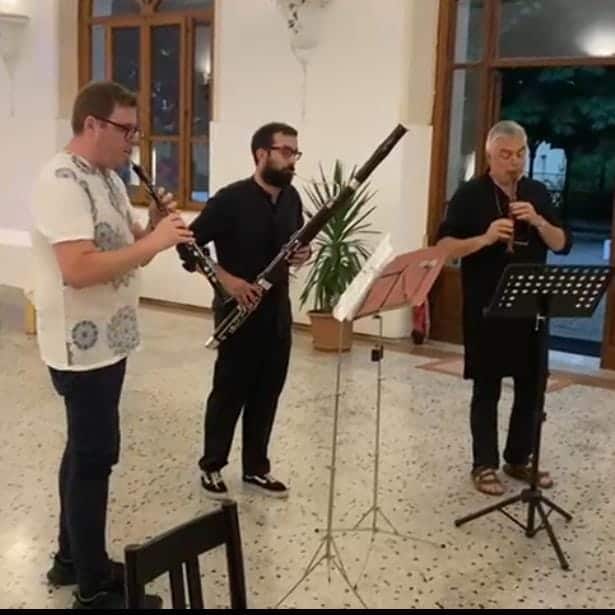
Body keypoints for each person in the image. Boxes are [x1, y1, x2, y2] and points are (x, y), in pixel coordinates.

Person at [30, 80, 194, 608]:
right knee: (95, 456)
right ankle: (94, 587)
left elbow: (128, 250)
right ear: (92, 124)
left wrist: (152, 229)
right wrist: (154, 241)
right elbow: (78, 269)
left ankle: (71, 558)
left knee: (84, 449)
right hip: (80, 346)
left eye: (136, 131)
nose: (134, 141)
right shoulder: (61, 181)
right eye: (127, 130)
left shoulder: (107, 179)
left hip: (110, 339)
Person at [436, 120, 572, 496]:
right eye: (505, 155)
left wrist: (539, 221)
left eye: (520, 154)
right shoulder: (470, 194)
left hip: (532, 307)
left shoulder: (537, 192)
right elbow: (443, 247)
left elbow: (562, 244)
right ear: (489, 156)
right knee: (487, 388)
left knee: (532, 387)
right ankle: (484, 464)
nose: (514, 162)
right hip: (487, 308)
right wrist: (484, 238)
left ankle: (518, 458)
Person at [177, 122, 311, 500]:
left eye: (295, 153)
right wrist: (226, 279)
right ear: (261, 154)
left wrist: (304, 253)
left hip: (277, 313)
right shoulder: (229, 200)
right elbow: (187, 247)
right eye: (286, 151)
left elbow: (298, 243)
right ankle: (212, 466)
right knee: (229, 393)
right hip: (237, 312)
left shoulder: (291, 199)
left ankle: (256, 468)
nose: (292, 160)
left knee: (268, 392)